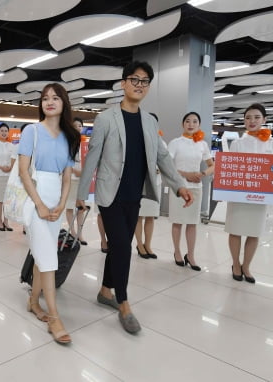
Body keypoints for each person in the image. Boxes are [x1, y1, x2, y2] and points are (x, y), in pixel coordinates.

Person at [76, 61, 193, 335]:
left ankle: (106, 290)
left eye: (145, 81)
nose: (139, 85)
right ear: (123, 83)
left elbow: (162, 157)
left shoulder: (150, 122)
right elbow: (92, 157)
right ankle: (124, 302)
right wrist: (81, 194)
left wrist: (179, 186)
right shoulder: (106, 118)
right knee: (123, 247)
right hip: (110, 195)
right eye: (134, 79)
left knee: (120, 246)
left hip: (134, 194)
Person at [19, 83, 80, 345]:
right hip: (34, 196)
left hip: (56, 197)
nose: (50, 102)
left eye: (56, 98)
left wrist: (61, 204)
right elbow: (23, 171)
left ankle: (33, 302)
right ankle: (54, 317)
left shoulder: (69, 137)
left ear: (64, 103)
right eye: (45, 98)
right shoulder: (31, 131)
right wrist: (40, 205)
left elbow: (67, 177)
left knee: (43, 254)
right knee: (48, 258)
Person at [226, 103, 273, 283]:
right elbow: (230, 168)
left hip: (260, 196)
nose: (252, 121)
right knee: (235, 230)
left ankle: (246, 266)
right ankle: (235, 263)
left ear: (264, 120)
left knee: (253, 232)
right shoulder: (237, 143)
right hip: (239, 195)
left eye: (257, 117)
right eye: (248, 117)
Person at [167, 112, 215, 271]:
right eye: (187, 121)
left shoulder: (202, 144)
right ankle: (177, 252)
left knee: (193, 223)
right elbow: (168, 166)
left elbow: (212, 165)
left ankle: (191, 255)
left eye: (195, 122)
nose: (191, 124)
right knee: (178, 221)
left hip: (196, 188)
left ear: (199, 125)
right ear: (183, 124)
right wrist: (187, 175)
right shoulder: (175, 142)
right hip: (179, 187)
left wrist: (202, 174)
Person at [134, 113, 162, 259]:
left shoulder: (160, 141)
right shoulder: (136, 140)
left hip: (155, 183)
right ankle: (139, 244)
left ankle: (148, 244)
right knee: (138, 216)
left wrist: (159, 168)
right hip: (139, 184)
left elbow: (165, 161)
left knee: (150, 216)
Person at [65, 117, 87, 244]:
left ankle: (80, 233)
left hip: (82, 180)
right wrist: (74, 171)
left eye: (80, 125)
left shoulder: (84, 144)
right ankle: (72, 231)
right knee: (69, 206)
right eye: (75, 125)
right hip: (71, 178)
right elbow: (65, 160)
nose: (78, 127)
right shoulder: (68, 142)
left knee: (80, 207)